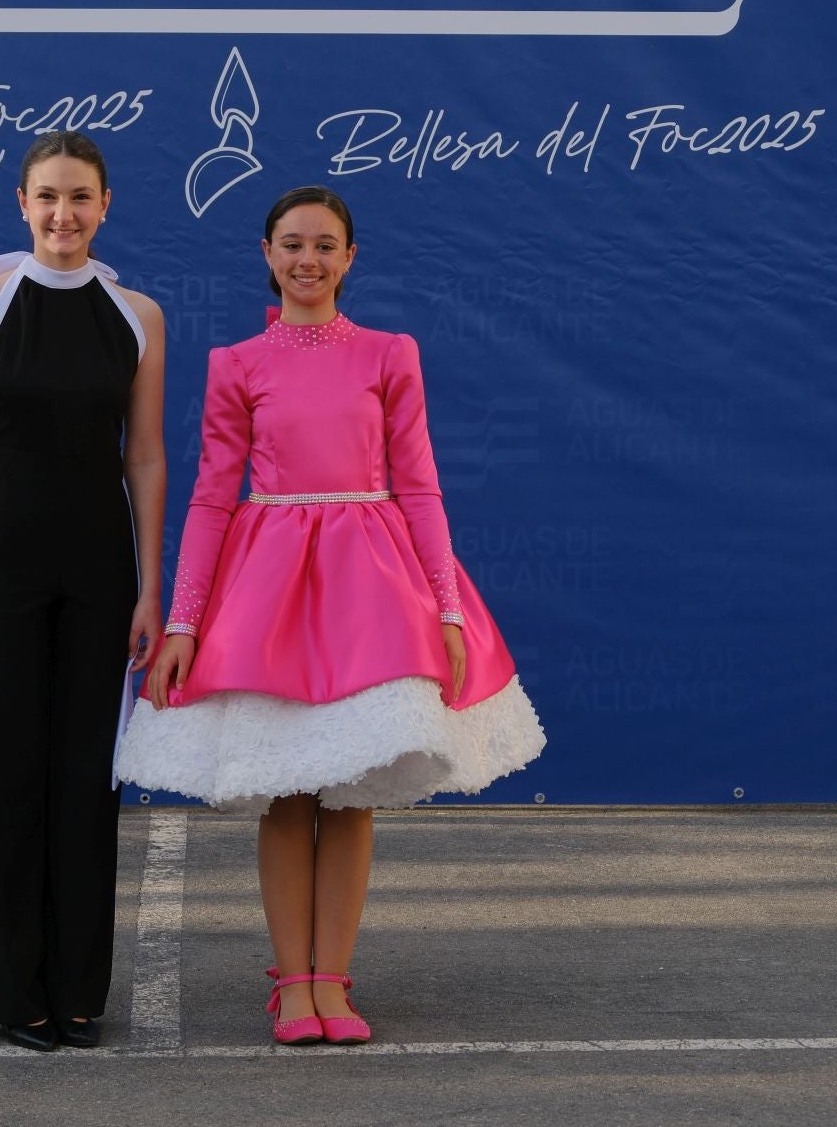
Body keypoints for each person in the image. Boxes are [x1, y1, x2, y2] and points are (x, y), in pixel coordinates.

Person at [116, 185, 545, 1046]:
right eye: (290, 244)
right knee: (286, 791)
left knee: (351, 791)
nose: (306, 260)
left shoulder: (391, 353)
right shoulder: (237, 362)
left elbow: (419, 485)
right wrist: (186, 624)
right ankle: (292, 984)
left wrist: (448, 609)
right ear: (266, 256)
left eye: (324, 245)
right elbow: (209, 499)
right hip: (268, 590)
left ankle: (333, 984)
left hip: (371, 590)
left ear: (351, 258)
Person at [0, 131, 165, 1052]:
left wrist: (153, 589)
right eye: (46, 197)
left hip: (103, 565)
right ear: (21, 205)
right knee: (9, 773)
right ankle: (10, 989)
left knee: (84, 778)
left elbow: (143, 456)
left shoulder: (139, 315)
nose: (62, 214)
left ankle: (76, 992)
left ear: (106, 206)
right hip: (1, 562)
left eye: (80, 197)